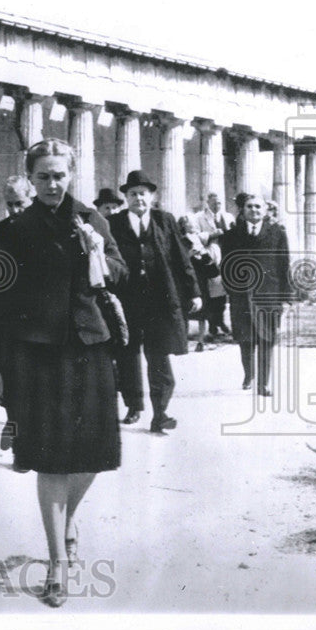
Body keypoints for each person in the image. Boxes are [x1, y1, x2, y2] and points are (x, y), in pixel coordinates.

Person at [0, 139, 127, 608]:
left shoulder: (92, 219)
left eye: (59, 175)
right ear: (29, 177)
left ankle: (68, 522)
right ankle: (57, 563)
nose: (51, 184)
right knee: (48, 458)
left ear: (71, 175)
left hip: (89, 347)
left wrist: (98, 251)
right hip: (34, 354)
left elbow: (121, 274)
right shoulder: (9, 232)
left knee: (92, 455)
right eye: (42, 175)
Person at [107, 170, 201, 433]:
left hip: (159, 301)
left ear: (152, 196)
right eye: (133, 194)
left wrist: (194, 291)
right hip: (127, 301)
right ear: (126, 197)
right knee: (128, 355)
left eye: (143, 194)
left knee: (159, 356)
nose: (139, 198)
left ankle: (160, 413)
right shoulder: (113, 224)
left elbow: (181, 258)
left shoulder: (165, 220)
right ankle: (134, 406)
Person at [0, 176, 35, 450]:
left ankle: (24, 436)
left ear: (31, 198)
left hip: (41, 320)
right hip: (8, 320)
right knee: (12, 382)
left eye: (20, 204)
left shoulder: (48, 229)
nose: (15, 211)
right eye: (10, 205)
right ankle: (15, 425)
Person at [220, 194, 293, 395]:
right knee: (245, 339)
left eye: (258, 207)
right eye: (249, 206)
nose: (254, 210)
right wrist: (231, 291)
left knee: (267, 339)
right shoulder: (231, 235)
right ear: (243, 210)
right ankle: (248, 374)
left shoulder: (277, 233)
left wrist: (286, 297)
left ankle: (263, 383)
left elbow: (284, 264)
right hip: (241, 296)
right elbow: (225, 265)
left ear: (266, 210)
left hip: (269, 295)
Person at [192, 192, 234, 338]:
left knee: (222, 293)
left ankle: (220, 321)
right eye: (214, 203)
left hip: (226, 255)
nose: (217, 205)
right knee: (212, 293)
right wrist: (211, 235)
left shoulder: (227, 217)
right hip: (210, 257)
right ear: (208, 203)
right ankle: (212, 324)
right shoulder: (198, 217)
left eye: (219, 203)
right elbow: (194, 236)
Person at [178, 215, 213, 352]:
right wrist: (189, 255)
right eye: (189, 223)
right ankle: (184, 340)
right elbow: (177, 260)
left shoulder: (198, 239)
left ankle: (201, 341)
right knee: (186, 310)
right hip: (187, 278)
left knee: (202, 311)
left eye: (193, 223)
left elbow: (210, 264)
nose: (193, 225)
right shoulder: (181, 240)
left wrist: (204, 253)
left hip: (201, 277)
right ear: (183, 225)